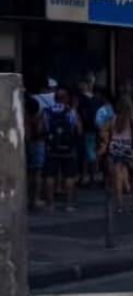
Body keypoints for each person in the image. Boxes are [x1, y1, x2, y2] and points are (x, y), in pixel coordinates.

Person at [106, 95, 133, 212]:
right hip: (127, 147)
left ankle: (119, 204)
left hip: (115, 147)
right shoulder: (131, 119)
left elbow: (109, 133)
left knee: (118, 177)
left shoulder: (113, 118)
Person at [42, 81, 81, 211]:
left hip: (52, 148)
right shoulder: (71, 112)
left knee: (50, 176)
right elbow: (79, 129)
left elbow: (43, 128)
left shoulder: (47, 111)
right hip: (68, 149)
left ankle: (50, 204)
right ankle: (69, 204)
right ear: (67, 98)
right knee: (69, 176)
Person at [75, 73, 101, 186]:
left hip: (94, 128)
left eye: (91, 82)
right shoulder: (79, 99)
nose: (91, 85)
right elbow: (76, 113)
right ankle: (87, 175)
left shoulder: (96, 98)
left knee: (93, 152)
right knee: (86, 153)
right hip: (85, 129)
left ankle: (92, 174)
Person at [23, 93, 45, 209]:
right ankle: (35, 198)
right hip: (38, 144)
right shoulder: (39, 118)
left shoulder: (24, 119)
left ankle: (26, 198)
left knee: (27, 173)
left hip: (28, 144)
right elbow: (41, 131)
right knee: (37, 173)